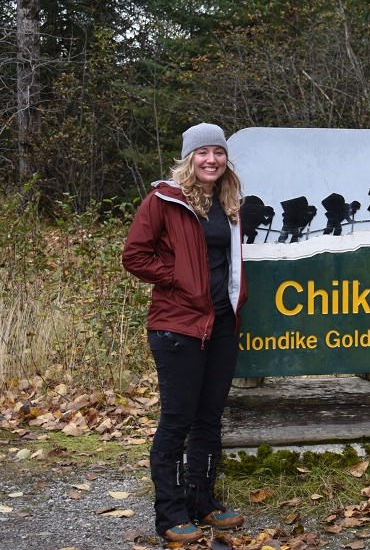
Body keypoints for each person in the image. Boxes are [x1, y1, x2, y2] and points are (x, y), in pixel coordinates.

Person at [122, 123, 248, 542]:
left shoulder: (229, 201)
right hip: (178, 325)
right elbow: (134, 255)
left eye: (218, 152)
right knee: (177, 421)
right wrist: (178, 277)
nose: (211, 159)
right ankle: (171, 514)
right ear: (188, 158)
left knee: (209, 418)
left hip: (223, 324)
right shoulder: (164, 200)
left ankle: (203, 501)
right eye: (202, 152)